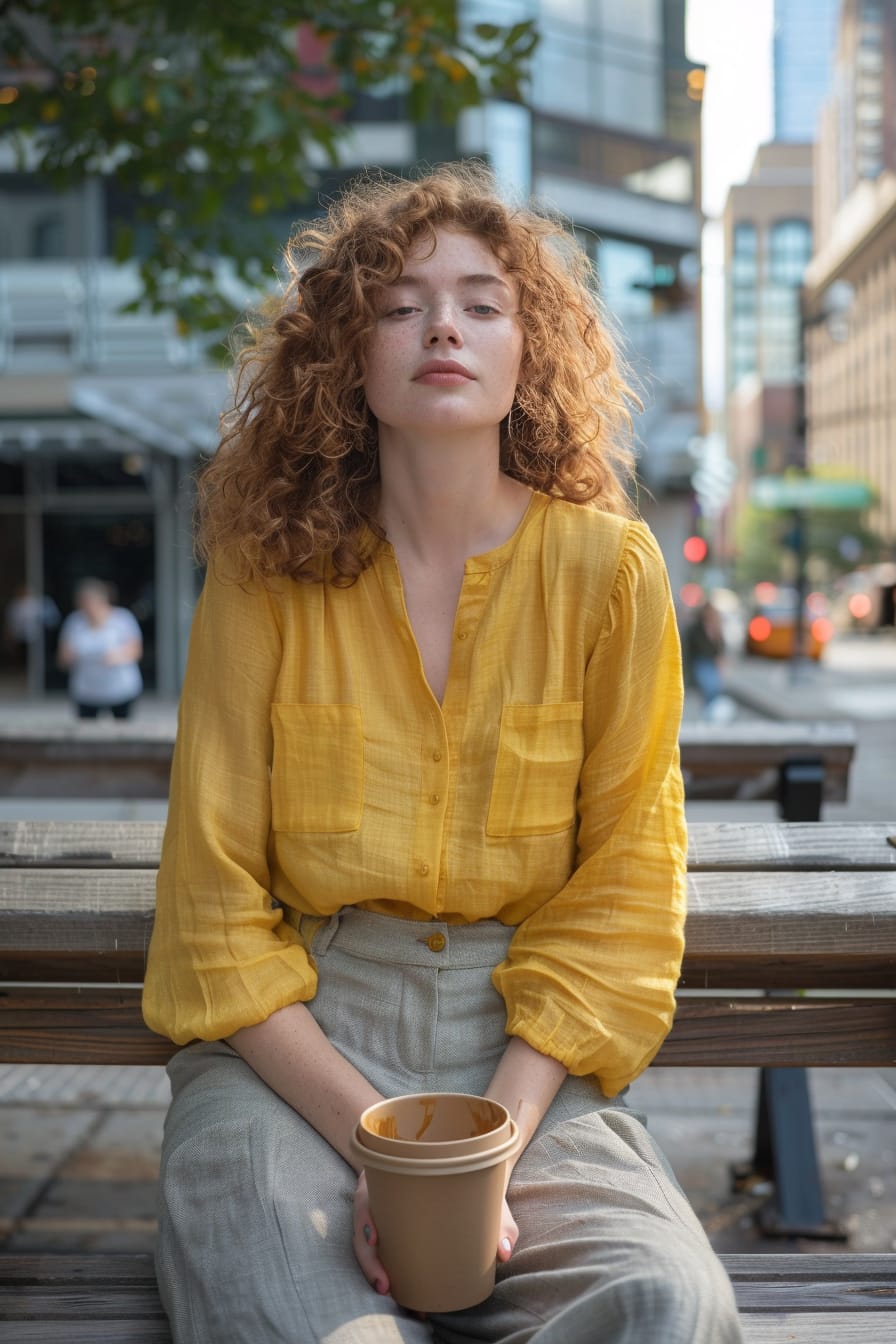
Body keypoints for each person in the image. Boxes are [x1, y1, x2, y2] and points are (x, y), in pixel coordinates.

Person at [143, 163, 743, 1343]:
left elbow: (627, 881)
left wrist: (482, 1147)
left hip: (520, 1049)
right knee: (306, 1318)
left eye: (481, 301)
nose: (443, 327)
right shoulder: (264, 580)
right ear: (345, 356)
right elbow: (210, 909)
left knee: (662, 1303)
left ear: (532, 350)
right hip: (297, 1042)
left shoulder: (608, 573)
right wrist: (382, 1150)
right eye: (399, 304)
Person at [56, 578, 143, 719]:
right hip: (86, 690)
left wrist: (117, 657)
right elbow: (62, 657)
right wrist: (71, 656)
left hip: (120, 689)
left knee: (123, 732)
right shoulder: (74, 622)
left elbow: (136, 651)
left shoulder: (123, 619)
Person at [683, 599, 730, 721]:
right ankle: (709, 712)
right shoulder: (695, 629)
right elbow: (694, 648)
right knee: (709, 685)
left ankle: (710, 713)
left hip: (712, 662)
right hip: (700, 661)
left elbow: (720, 647)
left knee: (715, 686)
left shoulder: (716, 628)